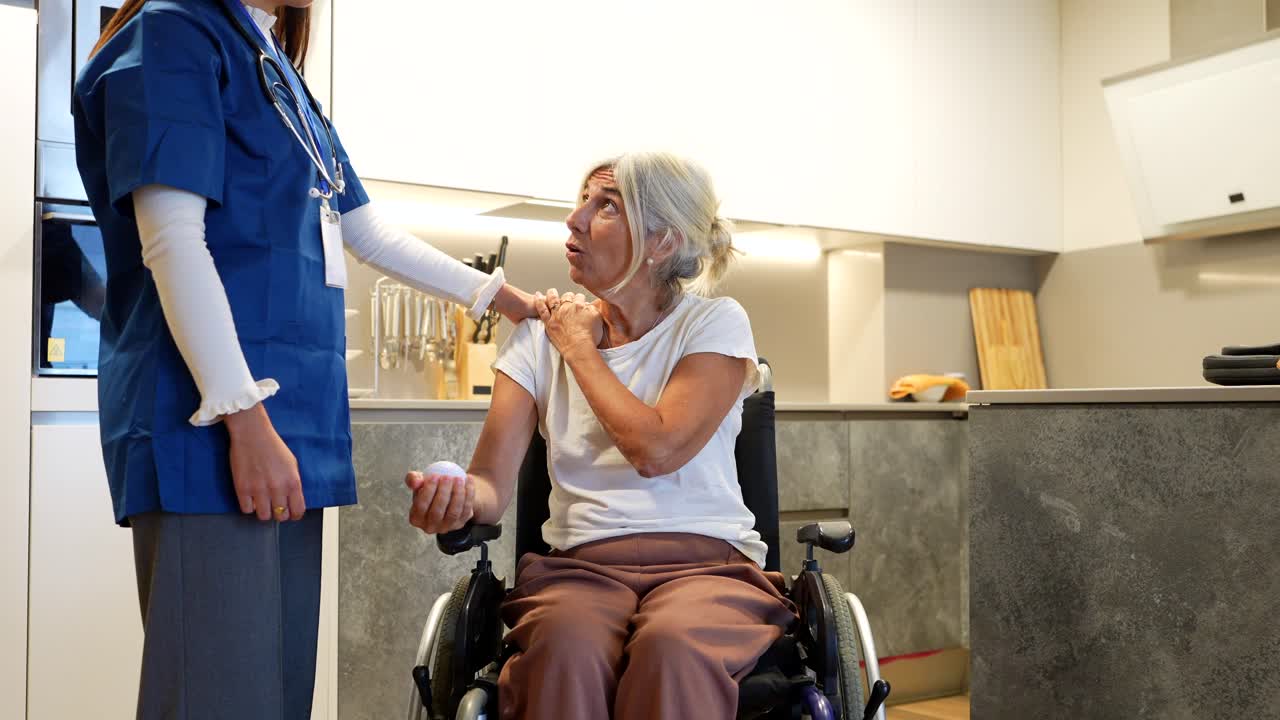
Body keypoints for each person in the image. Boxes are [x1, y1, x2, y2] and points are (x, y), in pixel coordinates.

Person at [73, 0, 535, 716]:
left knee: (277, 695)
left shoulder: (276, 69)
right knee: (217, 697)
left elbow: (364, 230)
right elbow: (171, 241)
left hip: (288, 427)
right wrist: (244, 419)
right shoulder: (172, 32)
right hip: (212, 426)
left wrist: (501, 297)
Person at [406, 152, 797, 720]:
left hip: (708, 570)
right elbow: (489, 483)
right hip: (578, 572)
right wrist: (457, 498)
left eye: (607, 205)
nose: (575, 218)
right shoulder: (536, 338)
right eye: (582, 200)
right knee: (563, 651)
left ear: (662, 241)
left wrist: (578, 348)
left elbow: (656, 449)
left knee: (672, 650)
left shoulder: (714, 323)